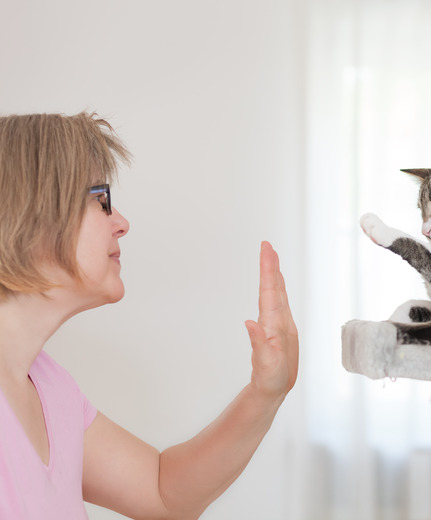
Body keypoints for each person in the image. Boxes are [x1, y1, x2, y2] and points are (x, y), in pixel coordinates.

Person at [0, 112, 299, 519]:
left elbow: (163, 493)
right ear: (31, 212)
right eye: (100, 199)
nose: (121, 223)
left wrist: (265, 393)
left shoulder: (51, 388)